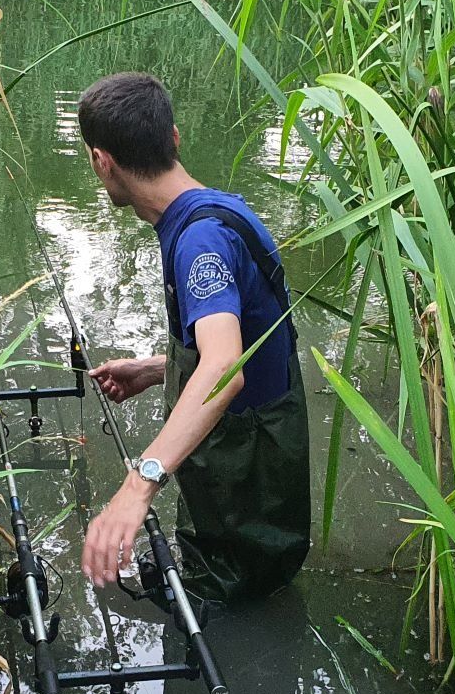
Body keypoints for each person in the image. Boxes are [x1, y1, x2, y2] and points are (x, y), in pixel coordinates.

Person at [74, 72, 310, 606]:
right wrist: (160, 368)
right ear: (174, 138)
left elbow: (225, 368)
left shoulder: (199, 240)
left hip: (250, 460)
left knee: (233, 604)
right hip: (252, 439)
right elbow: (246, 336)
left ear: (101, 161)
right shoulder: (213, 209)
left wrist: (139, 485)